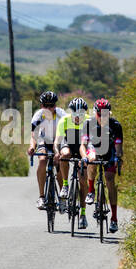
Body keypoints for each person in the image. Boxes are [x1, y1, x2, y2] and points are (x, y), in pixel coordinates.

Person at [83, 97, 123, 232]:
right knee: (92, 159)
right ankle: (90, 190)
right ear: (95, 113)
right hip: (93, 149)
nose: (102, 117)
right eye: (100, 114)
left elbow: (118, 147)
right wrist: (85, 156)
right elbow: (84, 145)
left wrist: (118, 157)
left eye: (105, 114)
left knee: (110, 179)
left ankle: (114, 219)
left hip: (109, 152)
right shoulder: (89, 123)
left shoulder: (116, 125)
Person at [55, 97, 89, 229]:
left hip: (82, 149)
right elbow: (58, 140)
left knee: (82, 181)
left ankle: (83, 214)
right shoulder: (64, 120)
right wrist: (57, 151)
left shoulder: (89, 121)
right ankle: (65, 185)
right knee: (65, 155)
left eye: (81, 114)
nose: (77, 117)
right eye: (75, 113)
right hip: (68, 145)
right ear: (71, 112)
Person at [28, 90, 66, 210]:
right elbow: (33, 135)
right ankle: (42, 197)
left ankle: (62, 197)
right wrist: (32, 147)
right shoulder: (38, 115)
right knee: (42, 160)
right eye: (46, 105)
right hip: (43, 141)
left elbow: (68, 132)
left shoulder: (61, 114)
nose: (49, 108)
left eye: (52, 105)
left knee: (58, 164)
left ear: (56, 105)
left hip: (58, 141)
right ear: (42, 106)